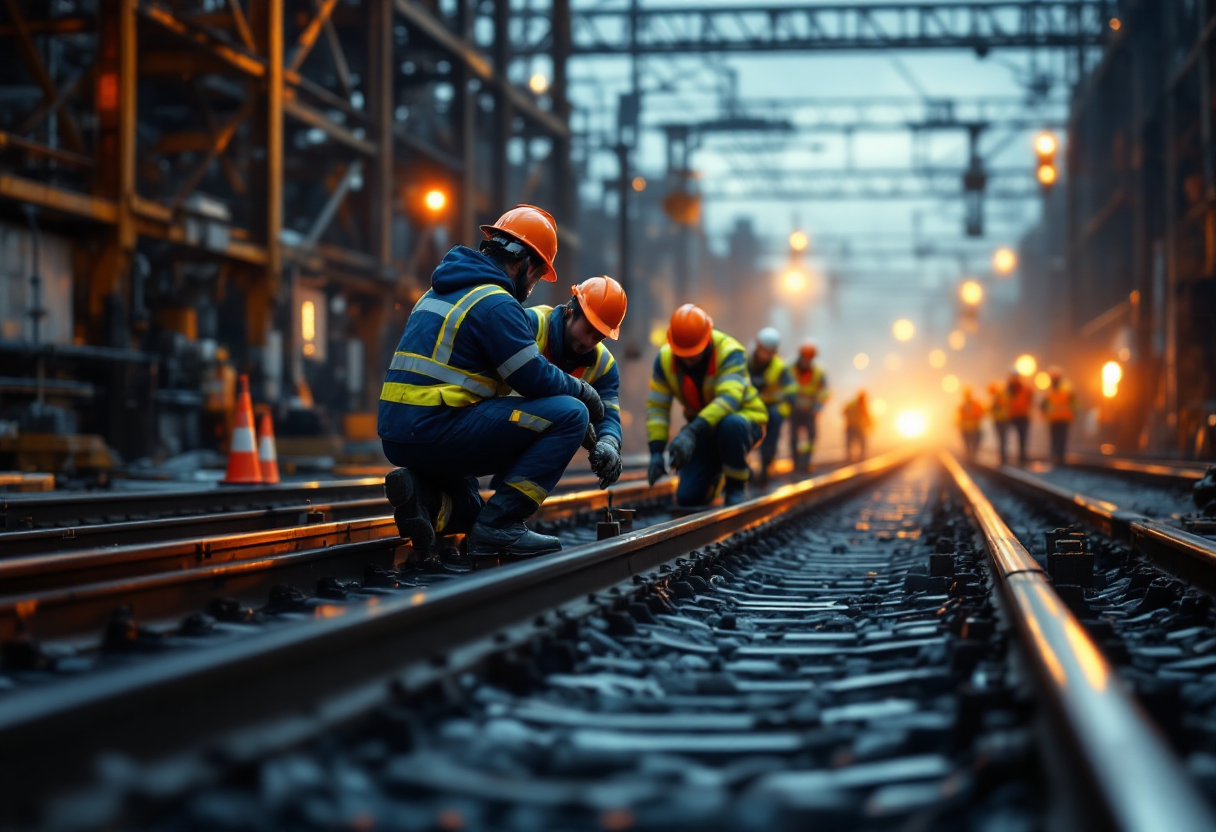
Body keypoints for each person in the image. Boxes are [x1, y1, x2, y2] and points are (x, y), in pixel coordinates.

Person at [377, 204, 606, 558]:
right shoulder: (495, 302)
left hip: (399, 433)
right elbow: (533, 377)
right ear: (526, 264)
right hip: (436, 427)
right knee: (570, 414)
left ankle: (422, 496)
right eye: (536, 275)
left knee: (470, 501)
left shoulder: (438, 291)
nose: (532, 286)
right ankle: (501, 527)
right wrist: (584, 391)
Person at [646, 304, 768, 507]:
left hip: (744, 421)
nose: (688, 358)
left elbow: (728, 400)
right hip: (703, 429)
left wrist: (690, 433)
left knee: (730, 424)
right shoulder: (664, 360)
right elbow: (658, 408)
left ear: (707, 339)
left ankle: (736, 486)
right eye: (682, 353)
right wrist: (656, 451)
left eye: (693, 352)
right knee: (688, 498)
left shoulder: (730, 352)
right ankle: (716, 474)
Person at [524, 276, 628, 489]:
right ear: (572, 309)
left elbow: (608, 414)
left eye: (598, 337)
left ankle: (508, 511)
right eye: (588, 330)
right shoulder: (530, 324)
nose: (589, 342)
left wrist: (609, 442)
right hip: (499, 421)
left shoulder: (604, 365)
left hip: (531, 434)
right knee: (574, 412)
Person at [748, 326, 794, 486]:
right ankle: (744, 470)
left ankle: (766, 470)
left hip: (772, 409)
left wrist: (783, 411)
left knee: (770, 442)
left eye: (769, 352)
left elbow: (791, 390)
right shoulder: (746, 362)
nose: (764, 355)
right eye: (763, 350)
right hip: (751, 407)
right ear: (757, 346)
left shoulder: (780, 368)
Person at [789, 340, 829, 473]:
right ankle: (796, 464)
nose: (807, 359)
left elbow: (824, 392)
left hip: (810, 412)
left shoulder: (818, 372)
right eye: (805, 356)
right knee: (794, 438)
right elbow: (784, 388)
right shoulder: (790, 369)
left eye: (810, 356)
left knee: (812, 437)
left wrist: (818, 407)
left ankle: (806, 463)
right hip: (794, 411)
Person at [1041, 366, 1076, 465]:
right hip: (1054, 418)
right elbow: (1046, 403)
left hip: (1063, 418)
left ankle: (1060, 459)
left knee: (1060, 439)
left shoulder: (1065, 387)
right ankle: (1056, 458)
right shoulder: (1051, 389)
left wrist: (1073, 412)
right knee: (1056, 439)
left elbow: (1073, 402)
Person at [1006, 369, 1033, 464]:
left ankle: (1022, 457)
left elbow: (1030, 398)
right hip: (1010, 416)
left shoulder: (1025, 388)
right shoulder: (1007, 389)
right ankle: (1005, 457)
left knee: (1023, 437)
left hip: (1023, 416)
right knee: (1006, 437)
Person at [843, 390, 872, 463]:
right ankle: (861, 458)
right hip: (857, 426)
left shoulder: (851, 403)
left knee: (849, 443)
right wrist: (870, 423)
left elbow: (844, 412)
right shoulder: (860, 403)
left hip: (850, 426)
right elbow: (866, 414)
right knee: (862, 442)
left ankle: (849, 459)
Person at [958, 386, 985, 462]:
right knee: (970, 443)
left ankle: (971, 456)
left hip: (972, 427)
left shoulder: (967, 405)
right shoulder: (964, 405)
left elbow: (980, 413)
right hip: (969, 427)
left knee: (971, 443)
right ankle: (970, 456)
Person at [988, 381, 1010, 464]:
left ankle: (1003, 457)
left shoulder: (999, 398)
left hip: (1002, 420)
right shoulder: (1002, 397)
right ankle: (1003, 456)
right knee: (1002, 439)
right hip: (1001, 420)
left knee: (1002, 439)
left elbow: (992, 409)